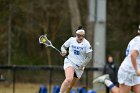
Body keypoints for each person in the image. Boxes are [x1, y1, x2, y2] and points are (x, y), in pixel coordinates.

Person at [93, 25, 140, 93]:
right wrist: (136, 70)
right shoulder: (138, 42)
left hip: (134, 72)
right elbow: (133, 55)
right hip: (128, 71)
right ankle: (106, 81)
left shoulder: (136, 39)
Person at [60, 26, 93, 93]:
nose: (81, 37)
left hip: (79, 68)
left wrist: (82, 65)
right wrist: (64, 51)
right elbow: (63, 47)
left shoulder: (86, 44)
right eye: (79, 35)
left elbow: (89, 57)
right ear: (76, 35)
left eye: (82, 36)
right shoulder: (71, 40)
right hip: (69, 62)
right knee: (69, 79)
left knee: (70, 87)